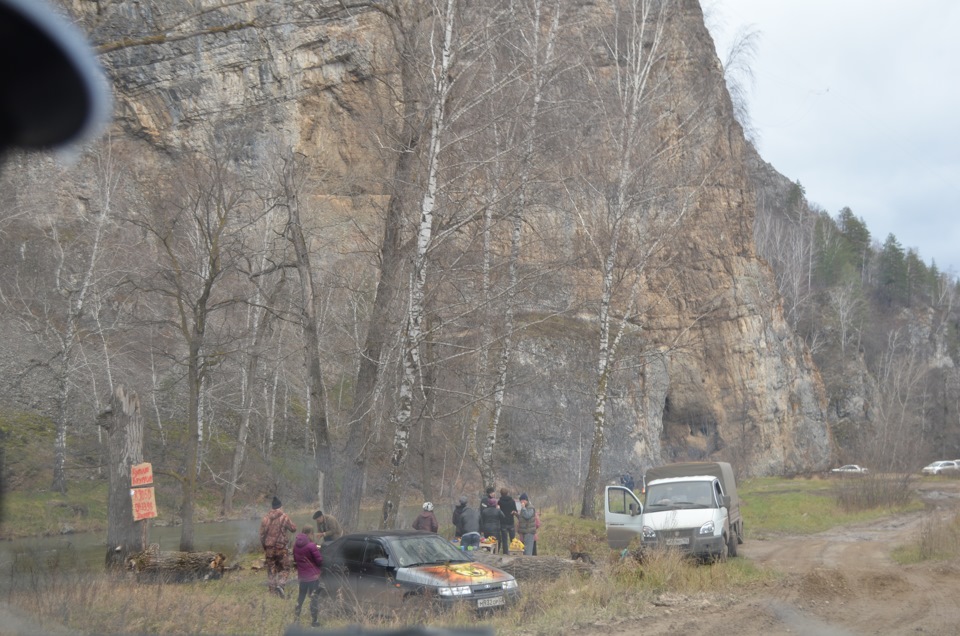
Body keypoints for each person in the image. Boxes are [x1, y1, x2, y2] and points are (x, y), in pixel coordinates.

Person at [259, 496, 296, 597]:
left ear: (272, 507)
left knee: (271, 570)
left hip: (269, 549)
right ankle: (280, 585)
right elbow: (293, 528)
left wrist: (265, 547)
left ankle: (272, 592)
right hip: (281, 548)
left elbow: (261, 535)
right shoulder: (284, 517)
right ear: (280, 507)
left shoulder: (265, 518)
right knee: (285, 568)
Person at [292, 525, 323, 627]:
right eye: (312, 533)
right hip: (313, 577)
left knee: (301, 598)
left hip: (302, 577)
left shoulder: (295, 545)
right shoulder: (311, 546)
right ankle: (314, 621)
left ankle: (296, 620)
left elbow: (296, 560)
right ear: (309, 533)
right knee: (314, 598)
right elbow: (319, 561)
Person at [497, 488, 518, 555]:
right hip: (511, 522)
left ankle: (505, 553)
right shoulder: (512, 501)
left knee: (504, 540)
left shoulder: (499, 502)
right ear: (507, 493)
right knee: (513, 539)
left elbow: (498, 512)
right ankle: (514, 552)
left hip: (503, 523)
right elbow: (515, 510)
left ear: (501, 493)